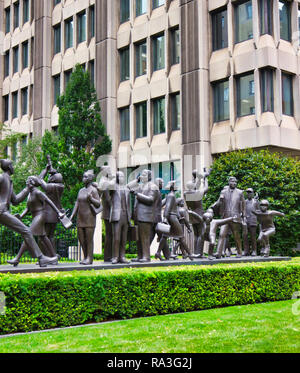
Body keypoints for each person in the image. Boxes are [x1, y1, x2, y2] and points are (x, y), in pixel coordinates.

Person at [0, 159, 58, 268]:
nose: (13, 167)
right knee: (26, 231)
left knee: (26, 231)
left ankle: (41, 259)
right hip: (2, 211)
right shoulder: (2, 177)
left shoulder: (9, 181)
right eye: (12, 165)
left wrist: (27, 189)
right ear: (9, 167)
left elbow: (16, 200)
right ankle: (41, 258)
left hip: (4, 212)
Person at [7, 176, 64, 266]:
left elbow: (49, 201)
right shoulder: (29, 194)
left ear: (33, 183)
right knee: (43, 237)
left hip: (40, 215)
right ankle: (54, 258)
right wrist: (20, 216)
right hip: (35, 216)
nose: (27, 182)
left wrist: (58, 212)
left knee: (27, 234)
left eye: (29, 180)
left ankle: (17, 258)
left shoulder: (38, 192)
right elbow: (27, 208)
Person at [70, 170, 101, 265]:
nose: (84, 179)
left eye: (86, 177)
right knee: (81, 238)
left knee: (88, 239)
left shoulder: (93, 190)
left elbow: (98, 204)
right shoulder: (81, 190)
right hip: (80, 217)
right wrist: (72, 215)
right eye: (83, 176)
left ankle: (89, 258)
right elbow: (77, 203)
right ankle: (85, 256)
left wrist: (91, 198)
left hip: (89, 217)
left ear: (91, 178)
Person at [156, 181, 193, 261]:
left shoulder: (170, 196)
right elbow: (167, 208)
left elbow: (167, 206)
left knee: (165, 236)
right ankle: (190, 254)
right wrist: (165, 218)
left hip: (172, 217)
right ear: (173, 188)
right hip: (172, 218)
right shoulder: (172, 195)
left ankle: (158, 252)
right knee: (181, 237)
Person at [211, 176, 246, 259]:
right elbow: (219, 202)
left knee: (236, 235)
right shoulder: (223, 192)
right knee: (221, 234)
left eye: (235, 182)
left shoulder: (240, 192)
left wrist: (244, 217)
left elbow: (243, 205)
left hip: (235, 217)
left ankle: (239, 252)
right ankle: (218, 253)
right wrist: (213, 206)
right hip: (225, 217)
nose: (234, 183)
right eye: (232, 182)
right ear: (229, 182)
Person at [129, 170, 158, 263]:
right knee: (138, 237)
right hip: (138, 216)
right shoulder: (140, 186)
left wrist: (137, 194)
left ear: (149, 176)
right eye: (141, 175)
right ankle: (140, 256)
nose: (142, 176)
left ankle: (146, 256)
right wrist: (136, 181)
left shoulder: (153, 186)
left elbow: (151, 199)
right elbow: (128, 187)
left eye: (144, 175)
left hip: (146, 216)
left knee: (145, 237)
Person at [38, 156, 65, 256]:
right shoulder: (60, 186)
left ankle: (47, 255)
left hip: (48, 214)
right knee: (51, 236)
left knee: (44, 235)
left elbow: (39, 180)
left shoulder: (51, 186)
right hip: (55, 214)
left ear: (53, 179)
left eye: (51, 177)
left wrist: (45, 170)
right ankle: (52, 254)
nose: (49, 178)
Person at [184, 171, 208, 258]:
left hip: (191, 216)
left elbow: (194, 187)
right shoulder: (198, 193)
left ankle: (195, 252)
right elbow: (206, 188)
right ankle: (199, 253)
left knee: (196, 235)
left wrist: (196, 178)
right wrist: (205, 178)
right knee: (201, 234)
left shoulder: (185, 194)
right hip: (199, 215)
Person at [109, 171, 131, 264]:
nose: (122, 178)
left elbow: (129, 204)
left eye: (123, 176)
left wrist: (130, 218)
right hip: (116, 216)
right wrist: (114, 178)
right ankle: (115, 257)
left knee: (123, 238)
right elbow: (109, 185)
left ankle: (122, 256)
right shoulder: (113, 188)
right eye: (120, 176)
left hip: (125, 216)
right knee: (116, 238)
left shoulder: (127, 189)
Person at [97, 166, 114, 262]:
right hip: (108, 213)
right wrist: (114, 209)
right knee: (109, 235)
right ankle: (108, 256)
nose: (110, 172)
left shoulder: (105, 181)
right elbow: (108, 200)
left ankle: (108, 256)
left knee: (109, 234)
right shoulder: (105, 182)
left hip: (107, 212)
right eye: (109, 170)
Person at [243, 188, 260, 256]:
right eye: (247, 192)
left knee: (253, 237)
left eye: (250, 192)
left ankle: (254, 250)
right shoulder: (244, 202)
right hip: (246, 221)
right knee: (245, 237)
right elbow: (242, 211)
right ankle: (246, 251)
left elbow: (259, 211)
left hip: (253, 221)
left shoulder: (255, 202)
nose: (249, 194)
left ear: (253, 193)